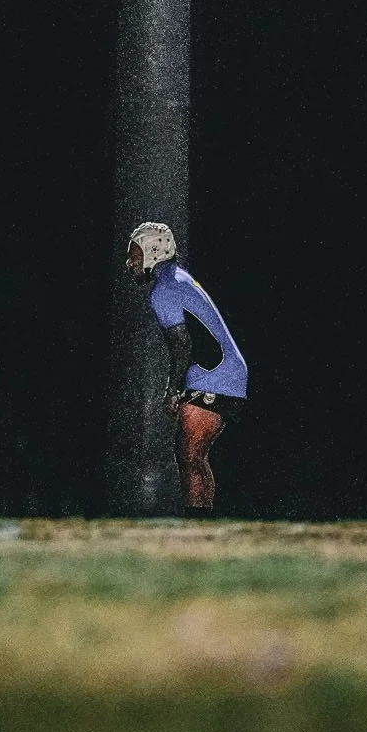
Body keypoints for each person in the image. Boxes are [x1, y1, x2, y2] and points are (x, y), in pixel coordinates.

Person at [125, 221, 247, 517]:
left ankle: (197, 529)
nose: (129, 264)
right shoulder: (178, 278)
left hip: (214, 375)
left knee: (190, 455)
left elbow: (181, 345)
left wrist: (172, 390)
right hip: (224, 373)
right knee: (195, 457)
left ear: (154, 252)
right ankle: (202, 526)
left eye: (135, 255)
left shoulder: (165, 289)